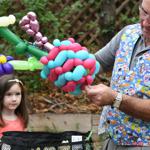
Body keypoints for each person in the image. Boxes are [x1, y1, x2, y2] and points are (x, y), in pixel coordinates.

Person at [85, 0, 150, 149]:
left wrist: (116, 99)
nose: (145, 23)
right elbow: (98, 62)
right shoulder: (129, 33)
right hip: (113, 138)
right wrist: (71, 64)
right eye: (144, 12)